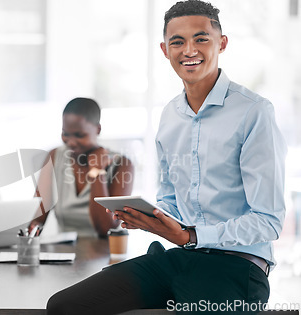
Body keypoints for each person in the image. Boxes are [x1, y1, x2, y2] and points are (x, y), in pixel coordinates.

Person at [47, 1, 286, 314]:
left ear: (221, 43)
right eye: (178, 41)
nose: (189, 50)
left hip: (238, 268)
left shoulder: (254, 112)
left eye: (201, 39)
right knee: (64, 306)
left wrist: (191, 235)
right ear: (164, 49)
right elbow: (171, 199)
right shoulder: (169, 117)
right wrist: (150, 218)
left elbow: (268, 221)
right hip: (179, 258)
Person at [30, 97, 134, 237]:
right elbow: (37, 219)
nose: (71, 142)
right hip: (64, 252)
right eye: (65, 134)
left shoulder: (122, 165)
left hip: (105, 254)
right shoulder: (54, 156)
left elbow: (107, 229)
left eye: (79, 135)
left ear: (98, 129)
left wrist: (97, 171)